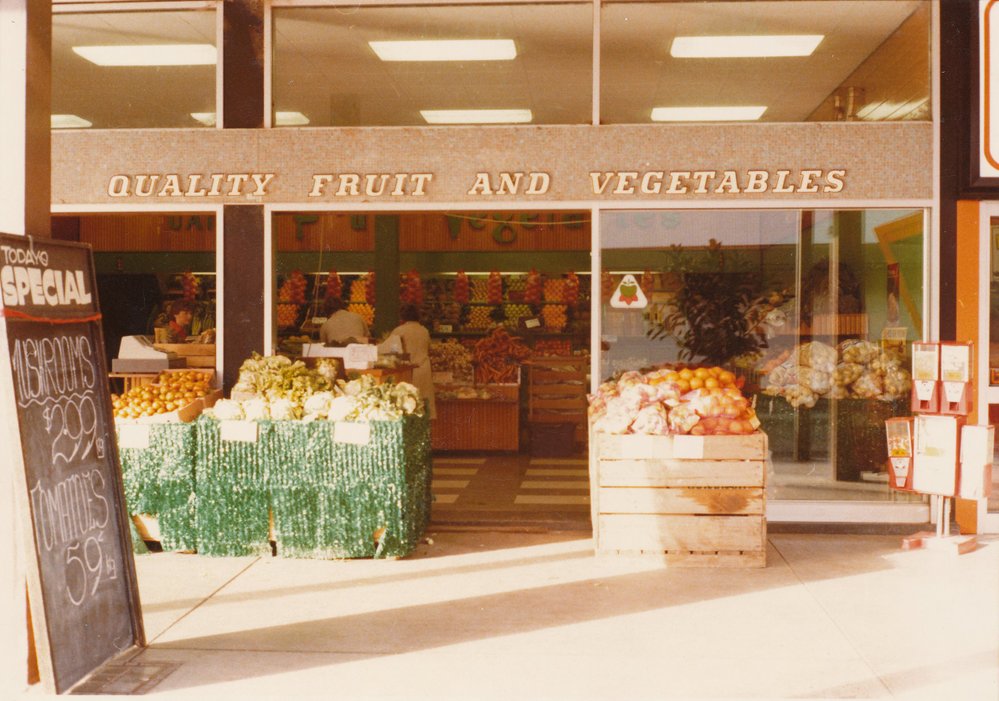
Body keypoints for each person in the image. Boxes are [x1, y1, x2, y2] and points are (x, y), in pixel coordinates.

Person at [386, 304, 435, 419]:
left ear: (402, 316)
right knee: (424, 403)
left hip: (407, 370)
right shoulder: (424, 331)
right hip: (424, 368)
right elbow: (429, 348)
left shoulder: (399, 331)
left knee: (408, 405)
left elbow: (393, 351)